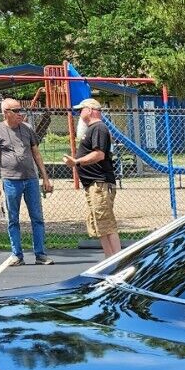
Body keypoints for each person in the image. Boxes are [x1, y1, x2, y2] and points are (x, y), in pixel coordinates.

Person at [0, 98, 53, 266]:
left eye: (20, 110)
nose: (20, 114)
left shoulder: (28, 129)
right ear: (6, 113)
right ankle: (17, 255)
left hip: (31, 179)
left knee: (37, 218)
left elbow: (36, 154)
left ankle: (40, 254)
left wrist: (45, 178)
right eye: (16, 111)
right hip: (11, 180)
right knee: (13, 219)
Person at [64, 97, 121, 257]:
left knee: (107, 223)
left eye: (81, 109)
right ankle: (109, 259)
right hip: (93, 185)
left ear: (90, 110)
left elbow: (99, 154)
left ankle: (117, 260)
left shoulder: (98, 128)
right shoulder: (92, 129)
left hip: (100, 184)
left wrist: (77, 162)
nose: (79, 112)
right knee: (100, 225)